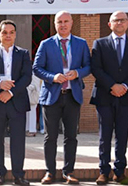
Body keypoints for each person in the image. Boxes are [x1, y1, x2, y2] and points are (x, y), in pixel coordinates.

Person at [33, 11, 91, 185]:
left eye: (66, 21)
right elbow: (37, 68)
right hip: (52, 96)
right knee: (50, 137)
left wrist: (77, 73)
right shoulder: (46, 44)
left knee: (71, 136)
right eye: (60, 22)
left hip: (72, 96)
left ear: (72, 23)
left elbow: (88, 66)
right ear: (55, 24)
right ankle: (50, 172)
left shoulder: (81, 43)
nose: (63, 24)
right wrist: (52, 77)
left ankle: (68, 172)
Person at [90, 11, 128, 186]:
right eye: (116, 20)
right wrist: (112, 85)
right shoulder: (99, 44)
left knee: (122, 135)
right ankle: (103, 171)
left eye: (123, 20)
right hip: (105, 96)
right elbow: (96, 69)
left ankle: (119, 172)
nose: (119, 23)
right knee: (104, 136)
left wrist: (125, 86)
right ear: (109, 24)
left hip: (126, 96)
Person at [0, 20, 32, 186]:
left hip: (16, 101)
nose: (8, 35)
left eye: (11, 32)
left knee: (18, 140)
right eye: (4, 32)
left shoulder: (23, 53)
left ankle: (18, 175)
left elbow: (26, 77)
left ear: (15, 34)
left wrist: (10, 92)